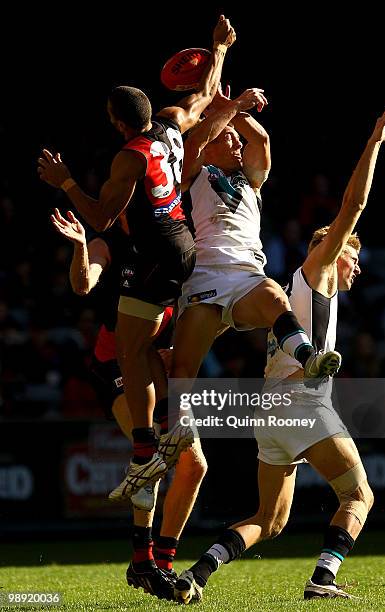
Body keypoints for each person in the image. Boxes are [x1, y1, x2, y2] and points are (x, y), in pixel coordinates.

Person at [173, 108, 385, 603]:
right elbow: (354, 204)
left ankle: (197, 573)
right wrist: (376, 142)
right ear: (333, 248)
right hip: (303, 401)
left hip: (271, 410)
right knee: (359, 496)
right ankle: (323, 577)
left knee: (270, 520)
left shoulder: (294, 286)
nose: (357, 266)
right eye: (353, 256)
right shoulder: (318, 268)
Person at [37, 15, 236, 498]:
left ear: (118, 122)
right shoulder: (170, 124)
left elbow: (103, 217)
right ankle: (170, 427)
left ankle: (145, 452)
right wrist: (221, 49)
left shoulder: (128, 156)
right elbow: (205, 97)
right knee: (142, 348)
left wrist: (65, 183)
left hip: (156, 255)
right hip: (182, 244)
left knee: (130, 353)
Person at [51, 208, 208, 600]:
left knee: (194, 465)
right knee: (150, 453)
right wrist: (79, 248)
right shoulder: (111, 243)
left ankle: (162, 564)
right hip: (115, 364)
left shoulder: (176, 242)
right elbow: (83, 283)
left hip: (157, 365)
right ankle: (143, 560)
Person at [169, 85, 341, 396]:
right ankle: (174, 429)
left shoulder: (252, 179)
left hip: (247, 274)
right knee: (181, 369)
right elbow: (194, 142)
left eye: (236, 137)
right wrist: (233, 106)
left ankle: (309, 359)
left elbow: (260, 138)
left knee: (276, 297)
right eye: (227, 137)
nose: (237, 141)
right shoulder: (193, 173)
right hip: (204, 275)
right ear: (210, 147)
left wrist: (225, 103)